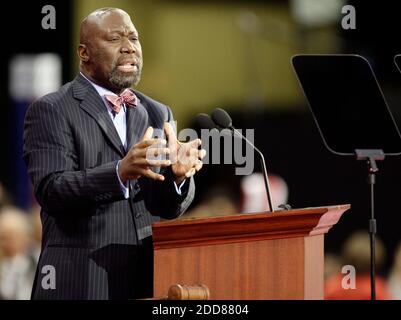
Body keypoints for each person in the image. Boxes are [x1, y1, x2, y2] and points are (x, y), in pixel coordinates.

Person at [23, 7, 205, 300]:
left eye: (134, 37)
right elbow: (51, 190)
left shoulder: (157, 112)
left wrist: (178, 178)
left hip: (145, 280)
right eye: (115, 38)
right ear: (84, 53)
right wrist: (119, 172)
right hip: (80, 279)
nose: (129, 47)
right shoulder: (52, 109)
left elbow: (166, 208)